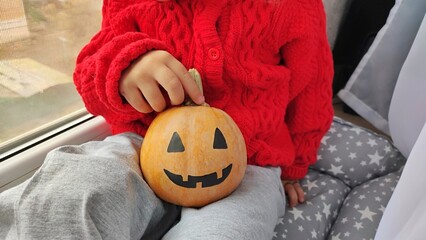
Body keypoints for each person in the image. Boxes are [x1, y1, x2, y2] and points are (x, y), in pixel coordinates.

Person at [0, 0, 333, 239]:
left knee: (229, 232)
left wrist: (295, 168)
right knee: (70, 192)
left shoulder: (295, 7)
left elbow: (313, 89)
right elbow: (90, 69)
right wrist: (125, 68)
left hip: (249, 162)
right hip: (142, 146)